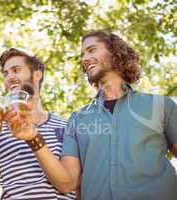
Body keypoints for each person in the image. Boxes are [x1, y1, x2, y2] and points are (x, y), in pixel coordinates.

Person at [60, 30, 177, 200]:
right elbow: (69, 181)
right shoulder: (77, 119)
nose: (84, 59)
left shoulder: (161, 106)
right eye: (83, 54)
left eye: (91, 50)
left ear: (115, 53)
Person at [0, 48, 76, 199]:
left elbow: (67, 185)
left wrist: (33, 138)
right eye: (5, 73)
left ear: (37, 75)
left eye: (15, 70)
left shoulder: (66, 126)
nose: (9, 77)